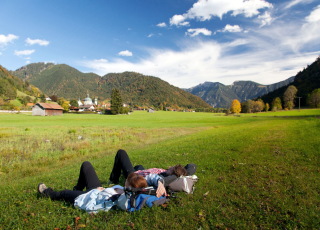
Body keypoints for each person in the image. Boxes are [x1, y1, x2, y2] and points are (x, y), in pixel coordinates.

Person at [108, 149, 197, 190]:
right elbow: (192, 166)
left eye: (172, 168)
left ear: (172, 173)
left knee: (121, 153)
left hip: (135, 176)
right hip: (141, 171)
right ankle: (123, 174)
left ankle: (113, 179)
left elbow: (153, 179)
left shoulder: (162, 177)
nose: (170, 167)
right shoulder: (167, 172)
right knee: (139, 166)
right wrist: (183, 172)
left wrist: (175, 174)